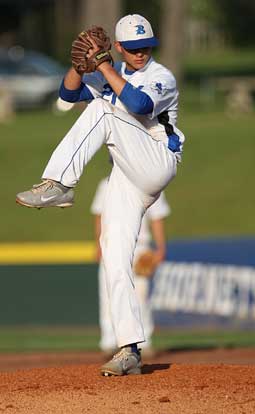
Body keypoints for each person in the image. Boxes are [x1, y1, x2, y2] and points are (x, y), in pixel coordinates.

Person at [16, 14, 185, 376]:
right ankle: (129, 350)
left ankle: (59, 184)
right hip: (124, 175)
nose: (141, 53)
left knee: (103, 110)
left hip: (157, 159)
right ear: (120, 47)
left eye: (146, 47)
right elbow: (66, 94)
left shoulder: (161, 76)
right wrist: (79, 66)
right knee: (113, 252)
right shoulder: (109, 72)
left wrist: (106, 66)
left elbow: (139, 106)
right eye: (134, 48)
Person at [91, 175, 170, 358]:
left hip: (140, 246)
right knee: (109, 295)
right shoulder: (106, 184)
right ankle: (109, 342)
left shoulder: (151, 180)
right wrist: (98, 244)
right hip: (111, 244)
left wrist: (160, 247)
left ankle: (144, 342)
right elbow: (99, 215)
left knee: (140, 297)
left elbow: (157, 217)